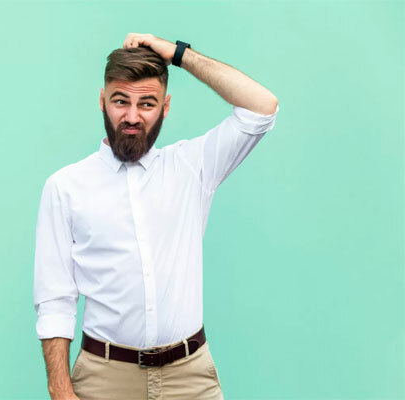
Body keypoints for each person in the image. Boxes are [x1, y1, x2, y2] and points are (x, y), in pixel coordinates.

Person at [33, 33, 279, 400]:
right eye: (121, 101)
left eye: (146, 104)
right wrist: (60, 389)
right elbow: (55, 299)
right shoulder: (65, 187)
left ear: (165, 108)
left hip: (190, 378)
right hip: (104, 379)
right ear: (102, 101)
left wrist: (178, 54)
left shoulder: (192, 167)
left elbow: (262, 107)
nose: (132, 117)